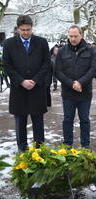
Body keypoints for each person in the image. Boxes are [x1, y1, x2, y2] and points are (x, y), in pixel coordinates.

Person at [3, 15, 50, 151]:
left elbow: (46, 63)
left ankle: (40, 150)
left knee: (38, 124)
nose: (26, 32)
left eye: (28, 29)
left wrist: (35, 80)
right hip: (19, 90)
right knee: (20, 123)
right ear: (18, 29)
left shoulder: (42, 42)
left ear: (32, 28)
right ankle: (22, 151)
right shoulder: (9, 44)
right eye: (23, 30)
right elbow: (7, 65)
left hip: (37, 89)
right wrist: (21, 81)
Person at [55, 25, 96, 149]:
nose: (73, 39)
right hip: (68, 93)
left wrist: (80, 82)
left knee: (84, 119)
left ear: (81, 35)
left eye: (75, 36)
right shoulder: (62, 51)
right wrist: (71, 83)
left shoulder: (90, 50)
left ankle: (85, 145)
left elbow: (94, 68)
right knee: (68, 119)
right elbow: (58, 71)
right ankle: (67, 144)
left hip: (85, 92)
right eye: (71, 36)